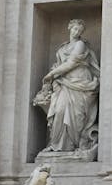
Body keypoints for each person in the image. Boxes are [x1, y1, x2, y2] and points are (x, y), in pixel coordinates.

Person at [33, 20, 100, 152]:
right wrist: (54, 76)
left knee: (77, 115)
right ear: (69, 28)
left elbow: (71, 63)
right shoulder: (62, 48)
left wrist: (51, 74)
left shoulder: (81, 45)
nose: (77, 32)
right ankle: (56, 144)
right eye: (75, 29)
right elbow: (59, 64)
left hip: (80, 81)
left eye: (80, 31)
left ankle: (73, 145)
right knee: (59, 110)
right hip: (63, 83)